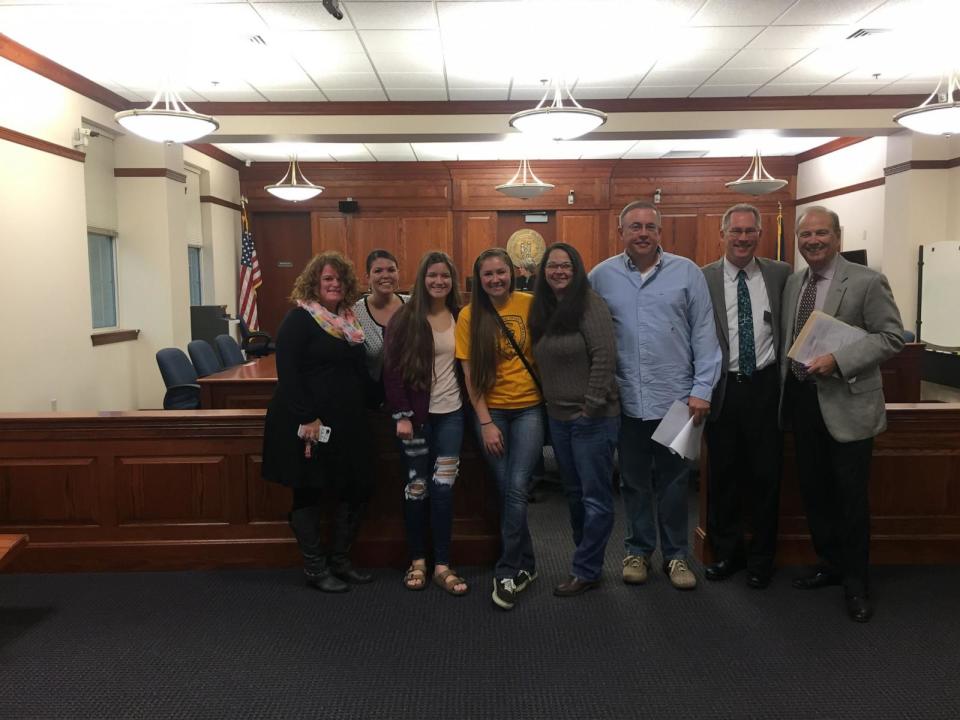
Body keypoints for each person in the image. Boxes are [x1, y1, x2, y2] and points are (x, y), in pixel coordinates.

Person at [589, 200, 721, 591]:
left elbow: (704, 334)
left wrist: (702, 389)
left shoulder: (687, 273)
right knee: (633, 482)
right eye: (634, 227)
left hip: (678, 400)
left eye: (649, 226)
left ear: (660, 232)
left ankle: (677, 556)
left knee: (675, 481)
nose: (642, 233)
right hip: (625, 400)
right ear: (621, 233)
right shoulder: (602, 276)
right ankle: (638, 550)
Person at [781, 205, 903, 622]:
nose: (812, 242)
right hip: (802, 403)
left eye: (821, 234)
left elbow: (891, 338)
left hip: (848, 405)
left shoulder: (867, 282)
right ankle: (830, 565)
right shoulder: (795, 282)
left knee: (850, 499)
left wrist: (839, 358)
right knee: (815, 493)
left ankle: (856, 584)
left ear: (838, 236)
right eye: (805, 236)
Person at [261, 251, 374, 593]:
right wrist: (307, 416)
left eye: (339, 279)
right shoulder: (300, 319)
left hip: (347, 422)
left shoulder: (350, 322)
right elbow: (289, 374)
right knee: (308, 490)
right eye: (327, 279)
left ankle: (340, 562)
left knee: (354, 487)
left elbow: (358, 371)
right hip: (308, 424)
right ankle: (315, 567)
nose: (334, 284)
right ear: (314, 283)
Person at [701, 204, 791, 589]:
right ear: (722, 235)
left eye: (749, 231)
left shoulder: (781, 274)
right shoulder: (703, 278)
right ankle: (727, 554)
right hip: (723, 389)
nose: (742, 238)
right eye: (735, 231)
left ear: (760, 235)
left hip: (766, 387)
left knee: (765, 478)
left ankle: (761, 559)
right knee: (723, 478)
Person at [455, 248, 544, 610]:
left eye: (501, 272)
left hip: (529, 410)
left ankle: (506, 569)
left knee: (518, 486)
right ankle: (529, 563)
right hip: (491, 413)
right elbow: (470, 375)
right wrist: (486, 422)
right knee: (506, 487)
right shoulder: (468, 315)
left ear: (513, 273)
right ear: (480, 279)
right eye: (488, 274)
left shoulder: (531, 304)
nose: (495, 279)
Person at [529, 242, 619, 597]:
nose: (559, 271)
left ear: (577, 269)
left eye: (566, 266)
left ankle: (586, 568)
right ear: (543, 271)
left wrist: (591, 406)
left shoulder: (589, 304)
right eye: (552, 266)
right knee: (574, 494)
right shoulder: (544, 308)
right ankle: (587, 560)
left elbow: (605, 356)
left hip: (592, 417)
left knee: (595, 498)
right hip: (559, 418)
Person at [383, 251, 468, 596]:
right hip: (415, 421)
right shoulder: (405, 317)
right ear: (422, 279)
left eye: (444, 276)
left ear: (452, 281)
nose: (438, 281)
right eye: (432, 275)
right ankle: (417, 560)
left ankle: (443, 565)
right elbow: (391, 371)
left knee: (444, 490)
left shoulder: (461, 315)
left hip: (452, 417)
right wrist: (402, 414)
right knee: (416, 489)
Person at [352, 249, 407, 398]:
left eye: (391, 270)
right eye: (378, 271)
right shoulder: (355, 313)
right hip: (373, 401)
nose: (385, 275)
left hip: (412, 395)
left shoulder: (412, 305)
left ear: (398, 273)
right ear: (368, 277)